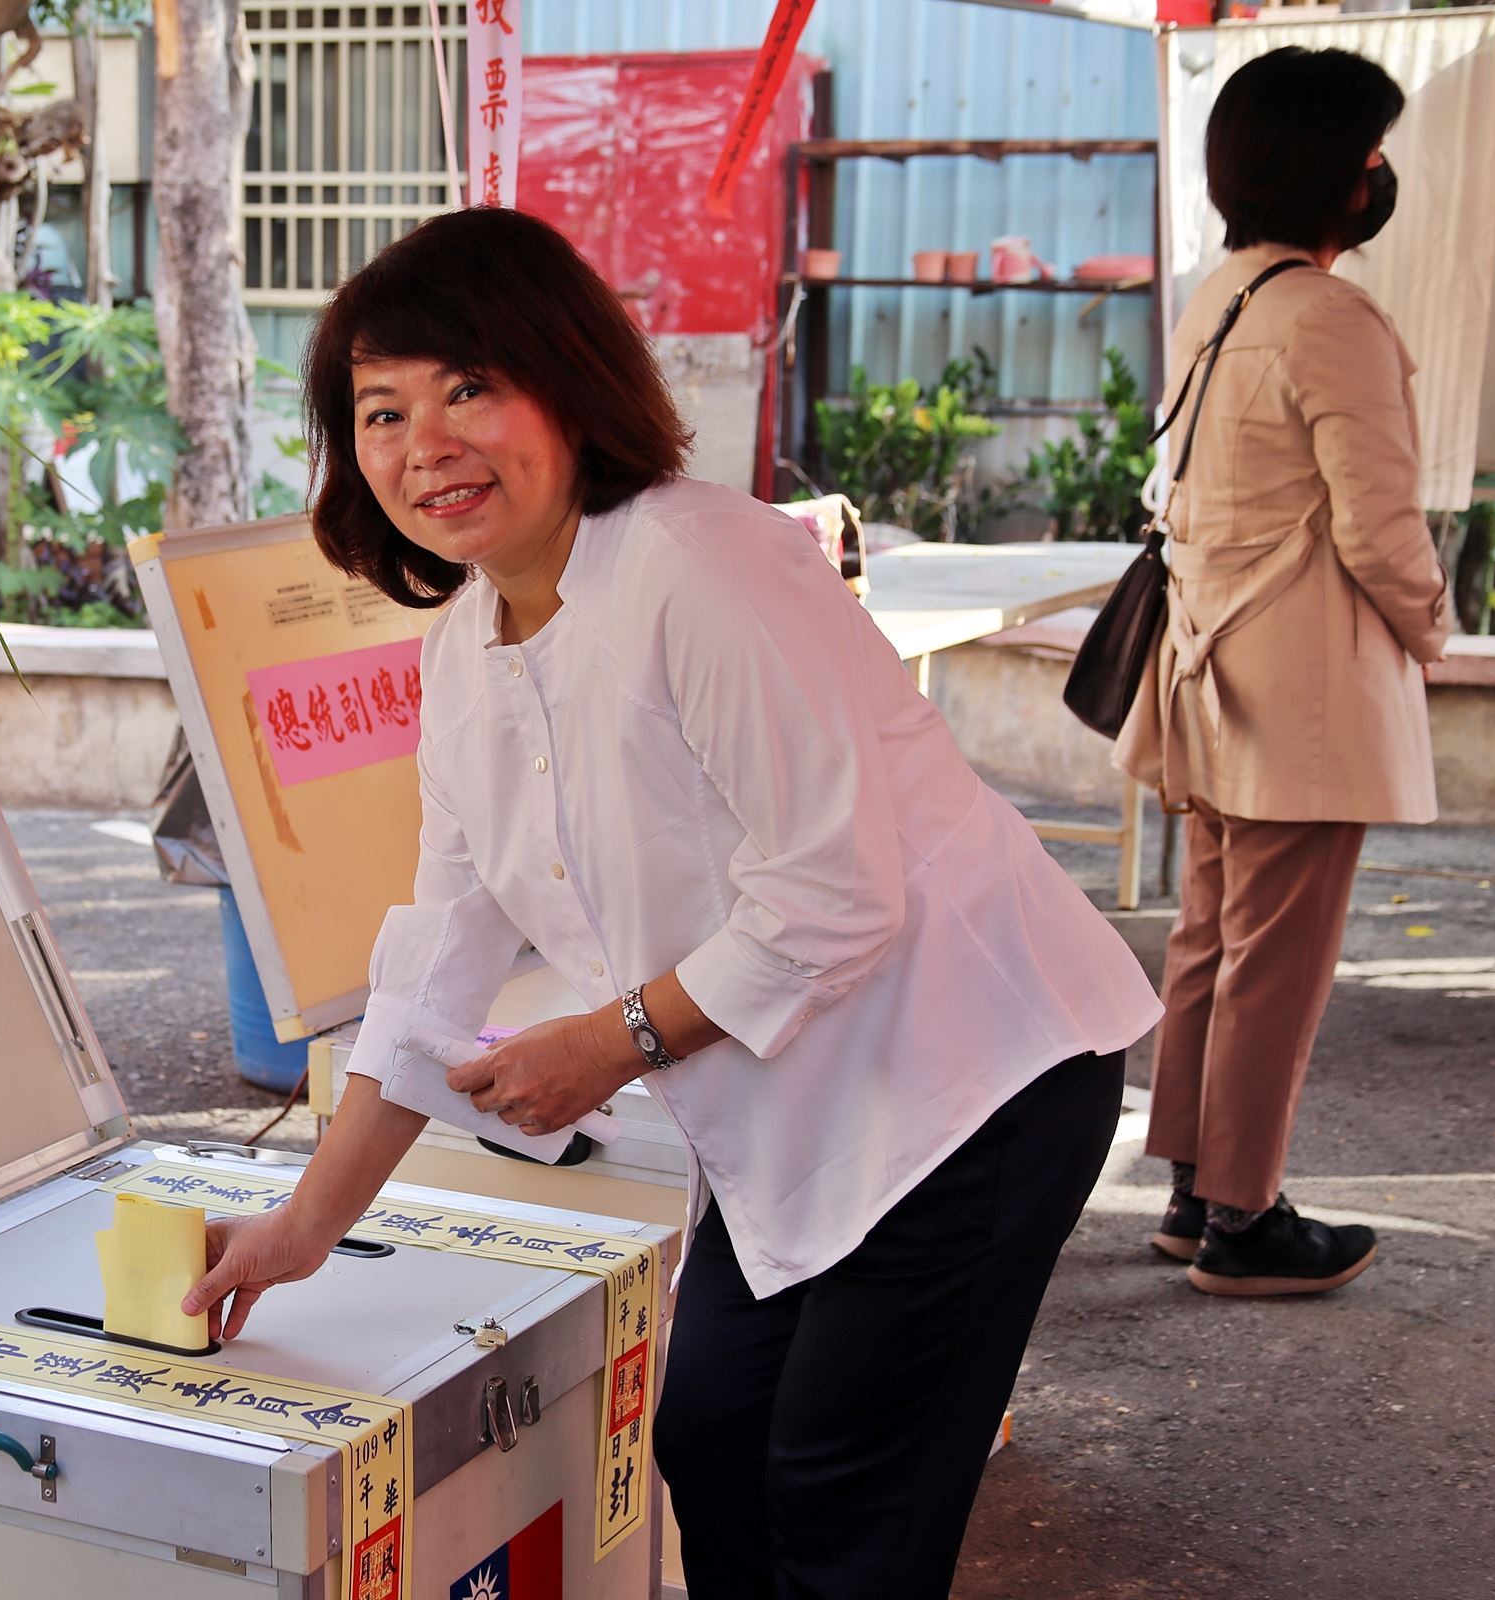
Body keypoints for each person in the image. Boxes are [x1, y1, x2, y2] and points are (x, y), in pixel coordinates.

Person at [179, 205, 1162, 1600]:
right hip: (802, 1116)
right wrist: (302, 1228)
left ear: (568, 383)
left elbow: (835, 892)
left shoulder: (700, 562)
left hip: (966, 1080)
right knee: (711, 1439)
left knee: (838, 1504)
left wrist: (611, 1041)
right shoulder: (469, 644)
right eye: (381, 411)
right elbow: (438, 964)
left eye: (471, 387)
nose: (425, 445)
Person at [1116, 47, 1452, 1298]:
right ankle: (1247, 1221)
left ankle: (1199, 1188)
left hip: (1209, 674)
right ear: (1327, 171)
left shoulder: (1226, 298)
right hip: (1301, 692)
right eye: (1368, 153)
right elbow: (1379, 526)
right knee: (1277, 958)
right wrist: (1432, 630)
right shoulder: (1333, 319)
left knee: (1214, 939)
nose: (1378, 175)